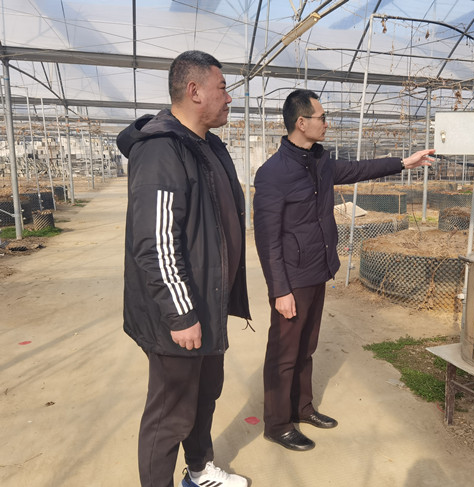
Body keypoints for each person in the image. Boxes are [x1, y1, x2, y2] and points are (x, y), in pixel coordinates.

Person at [253, 88, 434, 451]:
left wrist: (404, 162)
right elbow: (267, 239)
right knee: (284, 353)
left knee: (306, 346)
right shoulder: (273, 173)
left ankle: (302, 407)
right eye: (321, 118)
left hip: (317, 269)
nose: (327, 123)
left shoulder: (319, 161)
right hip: (292, 277)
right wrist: (280, 290)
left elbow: (359, 169)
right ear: (301, 123)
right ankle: (277, 423)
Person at [117, 50, 251, 487]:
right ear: (194, 91)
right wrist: (181, 313)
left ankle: (199, 470)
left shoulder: (206, 145)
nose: (229, 97)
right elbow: (154, 242)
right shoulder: (161, 149)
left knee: (204, 394)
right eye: (222, 88)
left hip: (207, 302)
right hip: (179, 310)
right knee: (170, 413)